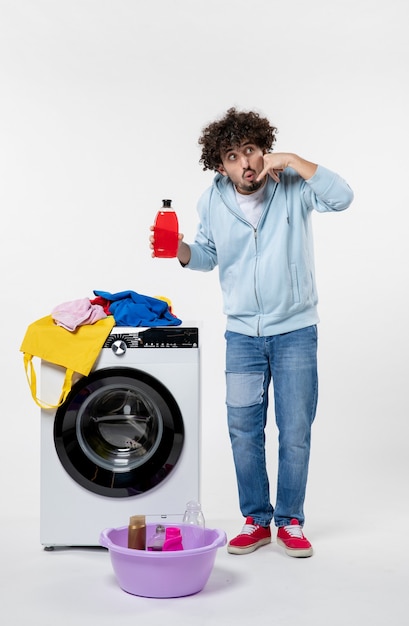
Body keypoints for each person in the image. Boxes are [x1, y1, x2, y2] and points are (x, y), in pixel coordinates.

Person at [150, 107, 354, 557]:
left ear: (264, 149)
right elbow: (206, 254)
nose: (245, 163)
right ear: (219, 165)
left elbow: (343, 197)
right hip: (241, 336)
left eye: (251, 150)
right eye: (232, 156)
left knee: (295, 428)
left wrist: (295, 159)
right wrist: (180, 249)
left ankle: (291, 521)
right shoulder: (211, 200)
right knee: (243, 429)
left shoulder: (294, 186)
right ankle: (256, 520)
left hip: (296, 330)